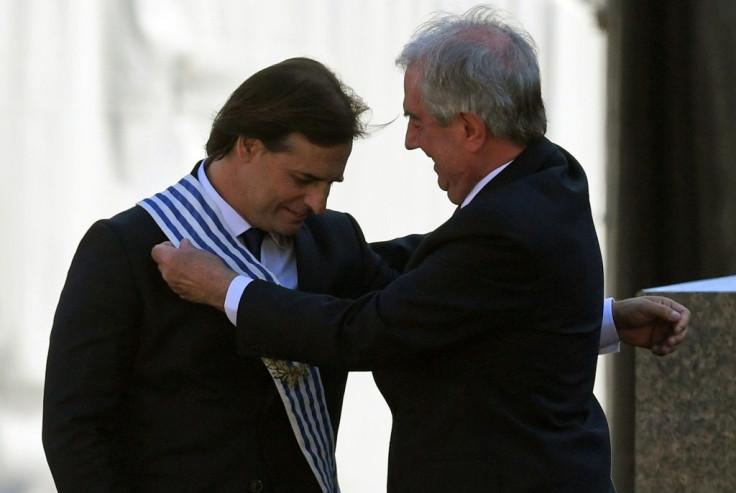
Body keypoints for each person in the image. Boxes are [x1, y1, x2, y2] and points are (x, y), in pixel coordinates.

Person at [151, 6, 689, 493]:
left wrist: (228, 289)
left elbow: (369, 330)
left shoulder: (505, 227)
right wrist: (599, 319)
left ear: (471, 129)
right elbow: (478, 300)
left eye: (418, 119)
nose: (410, 140)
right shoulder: (549, 175)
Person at [42, 57, 397, 493]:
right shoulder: (124, 247)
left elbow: (399, 322)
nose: (318, 203)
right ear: (248, 145)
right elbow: (75, 429)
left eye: (330, 184)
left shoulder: (335, 241)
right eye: (303, 179)